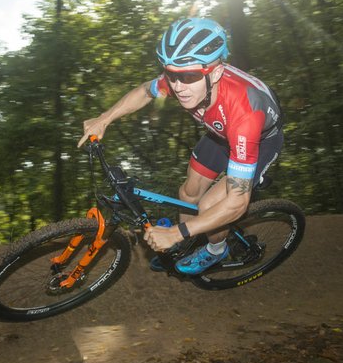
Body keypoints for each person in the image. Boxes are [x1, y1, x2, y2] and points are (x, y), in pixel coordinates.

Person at [77, 18, 283, 274]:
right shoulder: (184, 76)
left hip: (257, 140)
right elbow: (144, 91)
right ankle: (185, 245)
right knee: (188, 193)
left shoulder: (244, 113)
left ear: (216, 72)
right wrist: (104, 119)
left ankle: (216, 251)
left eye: (189, 76)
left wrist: (176, 232)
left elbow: (237, 204)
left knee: (210, 206)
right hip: (219, 135)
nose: (178, 86)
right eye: (172, 75)